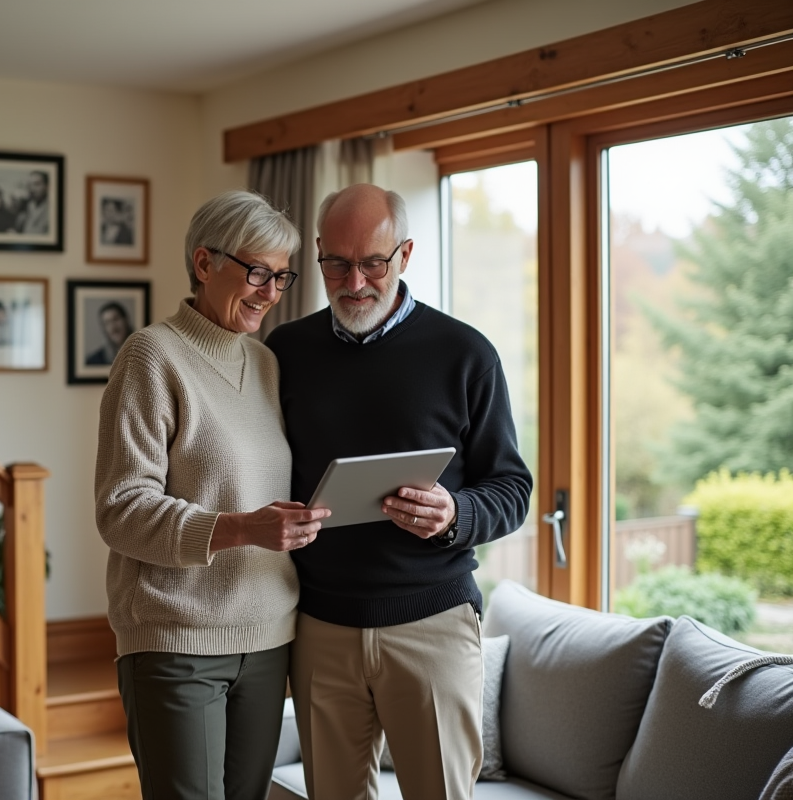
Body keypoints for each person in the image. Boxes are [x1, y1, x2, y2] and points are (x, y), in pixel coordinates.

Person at [265, 183, 533, 800]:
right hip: (319, 626)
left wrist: (455, 512)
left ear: (405, 255)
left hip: (432, 625)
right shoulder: (285, 352)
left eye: (373, 263)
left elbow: (512, 487)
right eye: (336, 262)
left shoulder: (466, 354)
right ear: (318, 255)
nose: (354, 281)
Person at [95, 189, 330, 800]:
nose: (269, 291)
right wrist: (243, 529)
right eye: (256, 271)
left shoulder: (268, 364)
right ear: (204, 263)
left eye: (282, 277)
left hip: (269, 636)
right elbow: (121, 508)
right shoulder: (152, 355)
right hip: (177, 640)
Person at [84, 301, 133, 365]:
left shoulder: (143, 352)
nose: (113, 327)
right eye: (107, 323)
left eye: (116, 319)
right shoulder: (93, 361)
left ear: (126, 320)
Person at [17, 170, 49, 234]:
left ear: (46, 186)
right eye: (29, 185)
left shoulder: (51, 209)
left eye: (37, 184)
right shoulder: (28, 206)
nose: (32, 189)